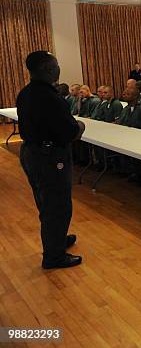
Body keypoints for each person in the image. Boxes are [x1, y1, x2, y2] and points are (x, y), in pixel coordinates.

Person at [17, 51, 86, 269]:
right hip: (49, 157)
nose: (58, 68)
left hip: (32, 153)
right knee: (57, 205)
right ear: (48, 69)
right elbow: (69, 132)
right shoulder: (50, 97)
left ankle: (56, 240)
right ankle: (54, 256)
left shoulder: (26, 93)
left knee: (45, 202)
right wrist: (80, 127)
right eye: (56, 64)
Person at [117, 86, 141, 185]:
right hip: (129, 138)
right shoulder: (126, 108)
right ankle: (136, 174)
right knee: (133, 159)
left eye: (128, 94)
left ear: (135, 96)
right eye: (124, 94)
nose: (124, 96)